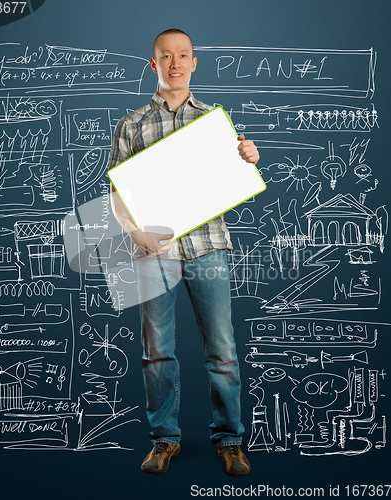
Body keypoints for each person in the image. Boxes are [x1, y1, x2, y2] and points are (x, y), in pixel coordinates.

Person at [107, 29, 260, 476]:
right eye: (165, 56)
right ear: (152, 64)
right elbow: (117, 192)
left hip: (208, 248)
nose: (175, 63)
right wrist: (135, 234)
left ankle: (230, 439)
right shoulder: (131, 125)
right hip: (154, 252)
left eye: (183, 55)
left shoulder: (215, 122)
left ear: (194, 62)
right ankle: (164, 439)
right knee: (156, 350)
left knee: (223, 349)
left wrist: (248, 158)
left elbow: (235, 178)